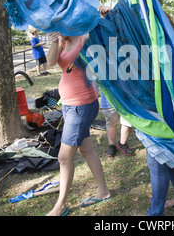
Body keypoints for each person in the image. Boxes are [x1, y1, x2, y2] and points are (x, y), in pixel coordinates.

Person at [45, 27, 111, 216]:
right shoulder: (63, 41)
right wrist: (55, 41)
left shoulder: (85, 37)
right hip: (68, 105)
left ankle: (60, 206)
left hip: (82, 105)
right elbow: (50, 62)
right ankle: (103, 191)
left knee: (64, 157)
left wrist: (104, 13)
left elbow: (104, 34)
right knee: (86, 149)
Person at [99, 92, 134, 157]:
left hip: (127, 98)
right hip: (108, 100)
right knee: (111, 122)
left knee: (128, 122)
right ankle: (112, 145)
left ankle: (122, 143)